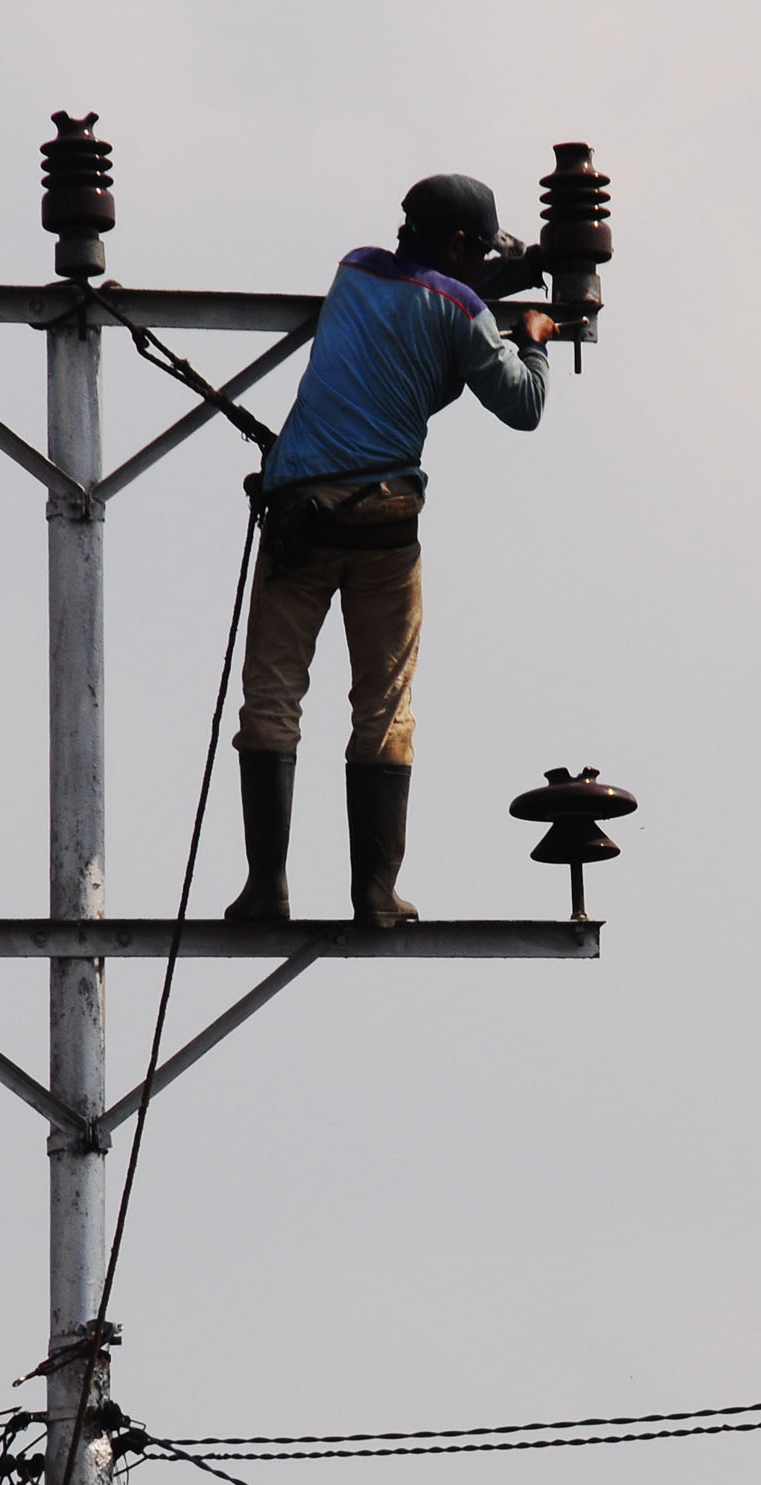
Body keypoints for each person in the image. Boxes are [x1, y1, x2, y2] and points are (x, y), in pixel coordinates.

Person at [223, 173, 558, 925]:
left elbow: (436, 287)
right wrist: (530, 342)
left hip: (302, 517)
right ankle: (374, 894)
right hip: (384, 523)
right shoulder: (466, 313)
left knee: (272, 698)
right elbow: (523, 406)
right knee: (383, 704)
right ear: (461, 244)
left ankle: (265, 891)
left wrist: (508, 273)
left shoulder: (353, 269)